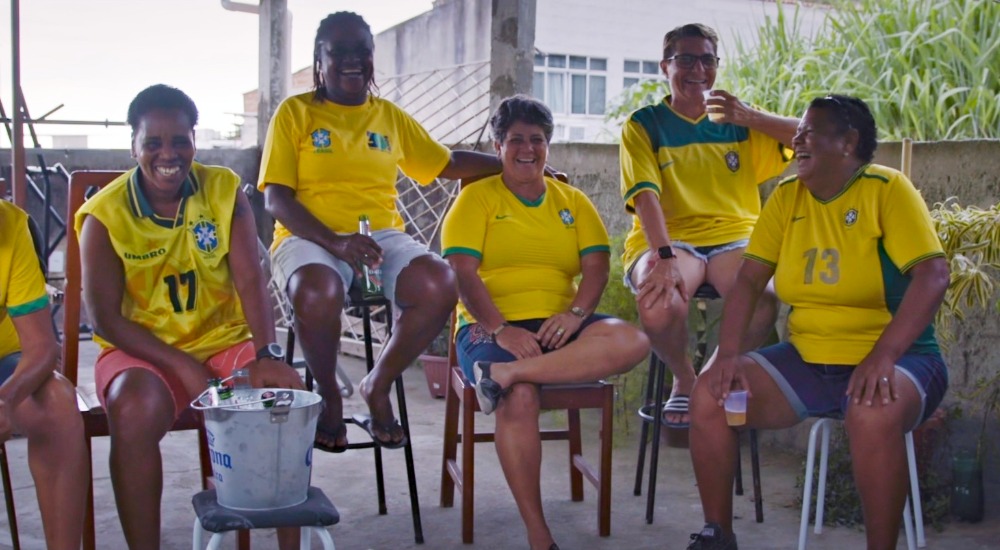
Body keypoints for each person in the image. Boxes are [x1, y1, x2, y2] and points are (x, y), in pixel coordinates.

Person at [686, 95, 950, 550]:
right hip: (807, 361)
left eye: (810, 131)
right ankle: (718, 535)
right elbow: (749, 281)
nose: (798, 138)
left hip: (901, 360)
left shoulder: (886, 189)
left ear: (848, 142)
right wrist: (726, 355)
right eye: (799, 130)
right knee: (710, 394)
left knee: (871, 412)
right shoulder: (787, 198)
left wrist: (883, 355)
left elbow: (933, 275)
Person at [259, 11, 503, 450]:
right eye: (339, 52)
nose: (352, 61)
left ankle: (377, 385)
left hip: (380, 237)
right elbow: (276, 199)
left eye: (362, 52)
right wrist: (336, 243)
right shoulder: (294, 113)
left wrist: (516, 166)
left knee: (438, 282)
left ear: (372, 58)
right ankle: (330, 397)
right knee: (317, 291)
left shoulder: (388, 117)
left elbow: (445, 163)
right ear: (320, 58)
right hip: (308, 239)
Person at [78, 84, 305, 549]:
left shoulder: (222, 189)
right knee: (135, 409)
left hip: (222, 341)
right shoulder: (104, 215)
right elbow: (103, 319)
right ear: (134, 146)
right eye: (154, 142)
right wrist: (182, 365)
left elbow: (249, 281)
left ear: (194, 140)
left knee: (280, 394)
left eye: (180, 141)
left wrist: (267, 352)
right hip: (140, 351)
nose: (169, 153)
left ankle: (291, 544)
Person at [442, 95, 650, 550]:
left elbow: (596, 266)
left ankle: (503, 375)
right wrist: (501, 329)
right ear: (498, 145)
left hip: (560, 322)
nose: (527, 149)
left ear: (548, 145)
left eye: (537, 140)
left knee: (632, 340)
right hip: (489, 324)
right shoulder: (476, 199)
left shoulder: (571, 200)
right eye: (516, 139)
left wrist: (575, 315)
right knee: (518, 402)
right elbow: (461, 273)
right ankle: (539, 535)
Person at [620, 23, 798, 428]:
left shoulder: (737, 120)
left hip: (734, 238)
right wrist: (663, 257)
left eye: (706, 60)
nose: (697, 69)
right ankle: (684, 379)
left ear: (717, 66)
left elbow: (810, 135)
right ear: (665, 66)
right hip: (672, 239)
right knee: (659, 298)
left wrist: (748, 115)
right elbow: (646, 196)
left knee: (763, 299)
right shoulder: (644, 124)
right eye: (685, 59)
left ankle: (712, 376)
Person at [0, 200, 88, 549]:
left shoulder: (9, 224)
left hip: (4, 358)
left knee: (56, 402)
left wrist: (5, 398)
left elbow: (41, 347)